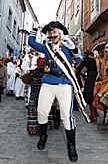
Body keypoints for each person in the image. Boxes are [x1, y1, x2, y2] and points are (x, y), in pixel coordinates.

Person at [28, 21, 90, 162]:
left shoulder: (67, 45)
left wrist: (73, 47)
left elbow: (79, 58)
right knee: (41, 112)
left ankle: (71, 145)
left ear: (60, 33)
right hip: (48, 82)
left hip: (64, 84)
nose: (52, 34)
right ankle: (43, 136)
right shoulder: (46, 47)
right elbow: (31, 42)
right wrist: (34, 29)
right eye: (50, 32)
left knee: (66, 116)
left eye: (54, 31)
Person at [76, 51, 98, 120]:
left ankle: (93, 115)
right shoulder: (94, 60)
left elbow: (79, 67)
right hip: (95, 77)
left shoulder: (88, 59)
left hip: (90, 78)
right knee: (93, 95)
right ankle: (94, 113)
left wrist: (79, 73)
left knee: (89, 95)